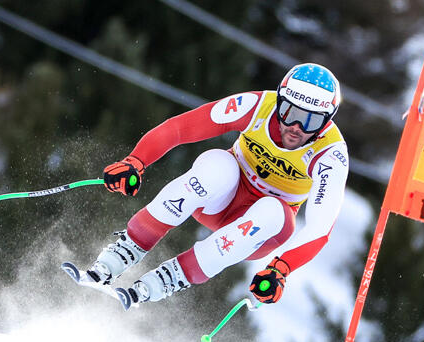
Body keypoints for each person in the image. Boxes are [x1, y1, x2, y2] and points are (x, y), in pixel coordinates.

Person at [77, 63, 349, 308]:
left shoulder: (331, 154)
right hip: (219, 199)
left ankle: (168, 279)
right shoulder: (256, 107)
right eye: (289, 113)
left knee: (273, 210)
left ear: (327, 120)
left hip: (260, 231)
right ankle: (124, 251)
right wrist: (136, 161)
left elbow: (320, 227)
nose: (297, 127)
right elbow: (181, 128)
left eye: (311, 120)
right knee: (219, 163)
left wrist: (281, 268)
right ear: (279, 101)